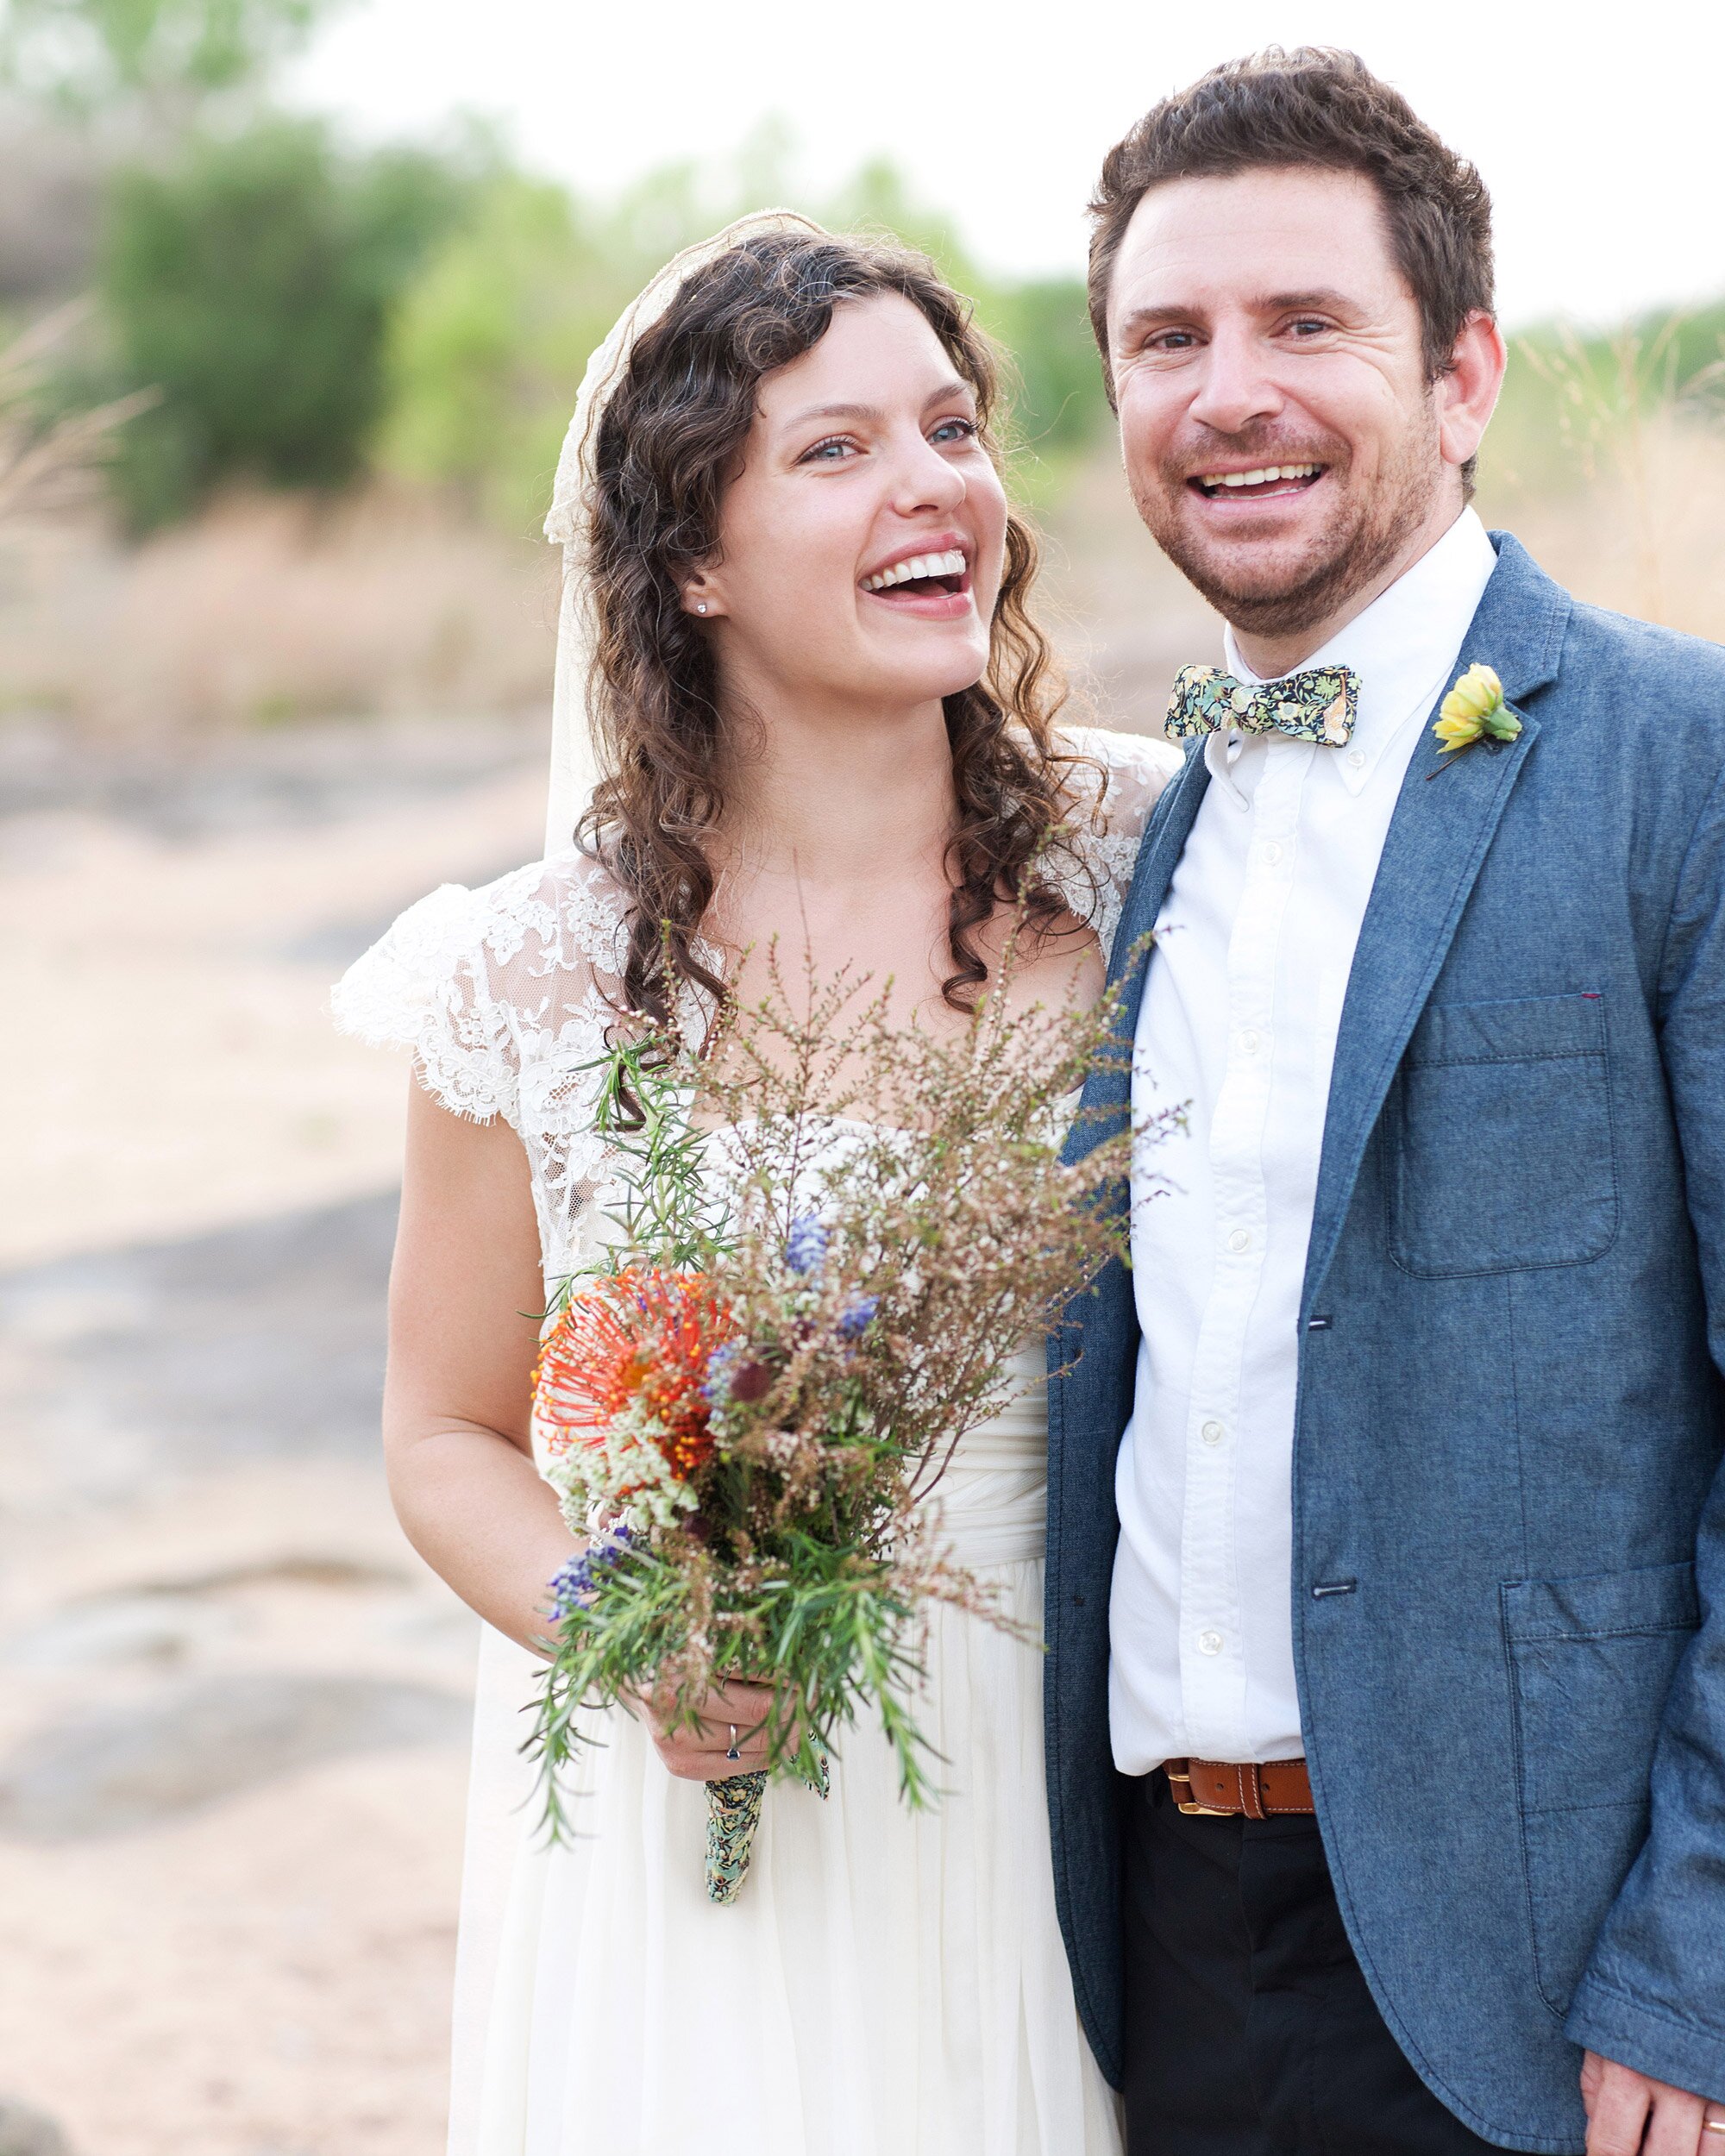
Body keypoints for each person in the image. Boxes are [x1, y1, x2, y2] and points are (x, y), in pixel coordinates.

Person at [333, 215, 1176, 2155]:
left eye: (953, 429)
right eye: (835, 448)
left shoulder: (1151, 862)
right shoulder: (532, 975)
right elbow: (445, 1427)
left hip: (1085, 1804)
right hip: (713, 1821)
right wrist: (630, 1629)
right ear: (692, 561)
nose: (933, 488)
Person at [1044, 45, 1725, 2156]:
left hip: (1540, 1976)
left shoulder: (1671, 762)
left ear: (1462, 376)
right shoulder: (1149, 829)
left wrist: (1693, 1969)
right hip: (1152, 1938)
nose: (1226, 390)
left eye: (1303, 323)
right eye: (1168, 338)